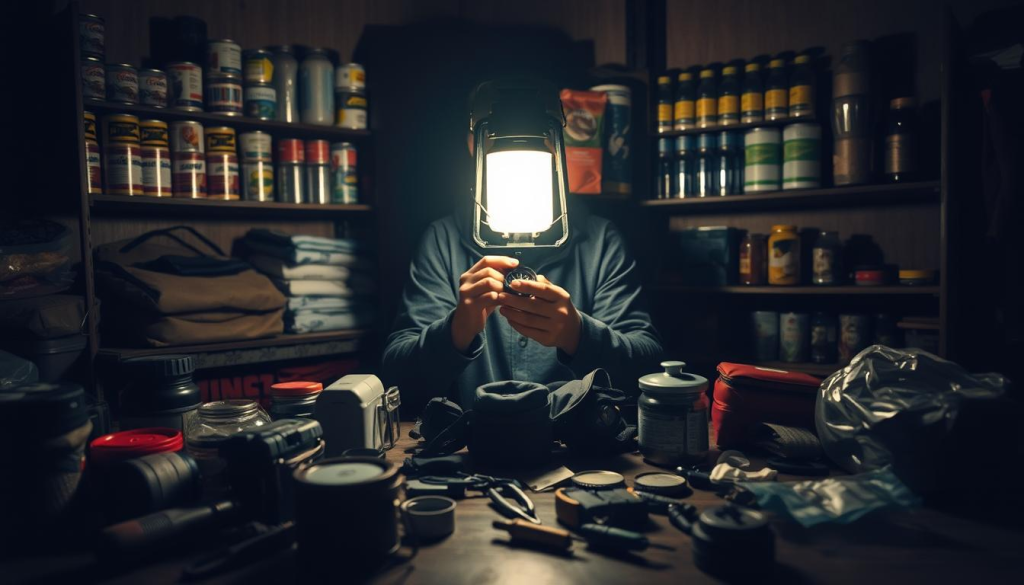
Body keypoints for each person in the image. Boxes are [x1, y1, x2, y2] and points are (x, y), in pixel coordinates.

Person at [383, 90, 662, 408]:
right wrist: (456, 331)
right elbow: (396, 374)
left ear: (558, 148)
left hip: (577, 443)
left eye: (537, 141)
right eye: (499, 143)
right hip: (477, 442)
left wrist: (577, 333)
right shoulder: (443, 240)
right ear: (475, 146)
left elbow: (649, 365)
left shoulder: (600, 241)